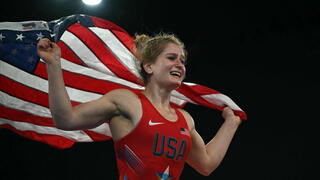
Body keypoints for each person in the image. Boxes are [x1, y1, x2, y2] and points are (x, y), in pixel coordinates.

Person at [37, 33, 242, 180]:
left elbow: (205, 164)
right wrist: (54, 65)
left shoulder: (186, 119)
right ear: (149, 66)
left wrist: (231, 123)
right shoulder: (125, 101)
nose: (180, 65)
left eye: (183, 61)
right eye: (171, 58)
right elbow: (65, 119)